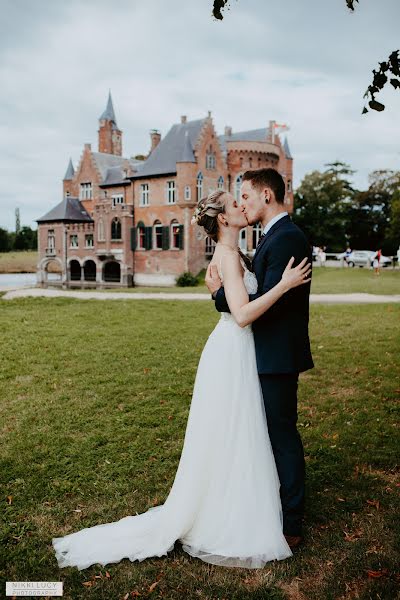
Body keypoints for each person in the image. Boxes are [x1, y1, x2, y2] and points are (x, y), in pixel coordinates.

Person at [52, 189, 311, 571]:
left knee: (236, 431)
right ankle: (229, 511)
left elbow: (232, 301)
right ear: (223, 219)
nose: (242, 206)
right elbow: (242, 316)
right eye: (234, 204)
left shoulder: (233, 253)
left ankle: (239, 500)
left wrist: (220, 293)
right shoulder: (226, 255)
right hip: (233, 346)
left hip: (236, 350)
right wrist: (283, 285)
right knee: (233, 429)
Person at [206, 168, 314, 548]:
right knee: (268, 434)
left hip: (277, 355)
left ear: (267, 195)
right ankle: (272, 508)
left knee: (282, 436)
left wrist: (220, 296)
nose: (244, 204)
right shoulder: (272, 237)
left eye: (247, 196)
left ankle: (292, 523)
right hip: (263, 352)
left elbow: (261, 303)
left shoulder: (286, 238)